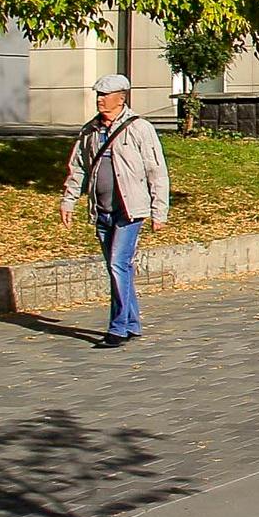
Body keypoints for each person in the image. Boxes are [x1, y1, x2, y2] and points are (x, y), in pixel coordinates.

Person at [59, 72, 170, 348]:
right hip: (102, 211)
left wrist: (160, 211)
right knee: (118, 268)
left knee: (118, 264)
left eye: (105, 95)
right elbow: (79, 168)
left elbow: (156, 171)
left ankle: (117, 328)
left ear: (121, 98)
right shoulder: (90, 131)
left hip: (130, 211)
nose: (100, 100)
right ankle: (132, 323)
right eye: (98, 95)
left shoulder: (139, 128)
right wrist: (69, 200)